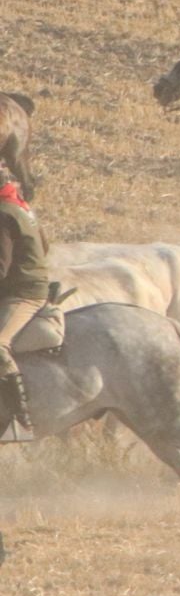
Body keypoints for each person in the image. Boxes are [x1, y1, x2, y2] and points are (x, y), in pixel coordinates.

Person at [0, 161, 48, 439]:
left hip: (23, 293)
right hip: (29, 283)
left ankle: (20, 422)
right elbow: (45, 246)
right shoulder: (21, 207)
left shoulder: (3, 215)